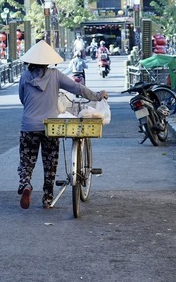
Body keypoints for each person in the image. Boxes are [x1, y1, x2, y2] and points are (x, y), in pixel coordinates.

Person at [17, 40, 108, 210]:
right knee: (50, 163)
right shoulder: (56, 75)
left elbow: (23, 99)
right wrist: (97, 96)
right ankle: (47, 199)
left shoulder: (24, 76)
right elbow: (77, 88)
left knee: (26, 161)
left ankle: (26, 184)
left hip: (28, 126)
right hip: (50, 126)